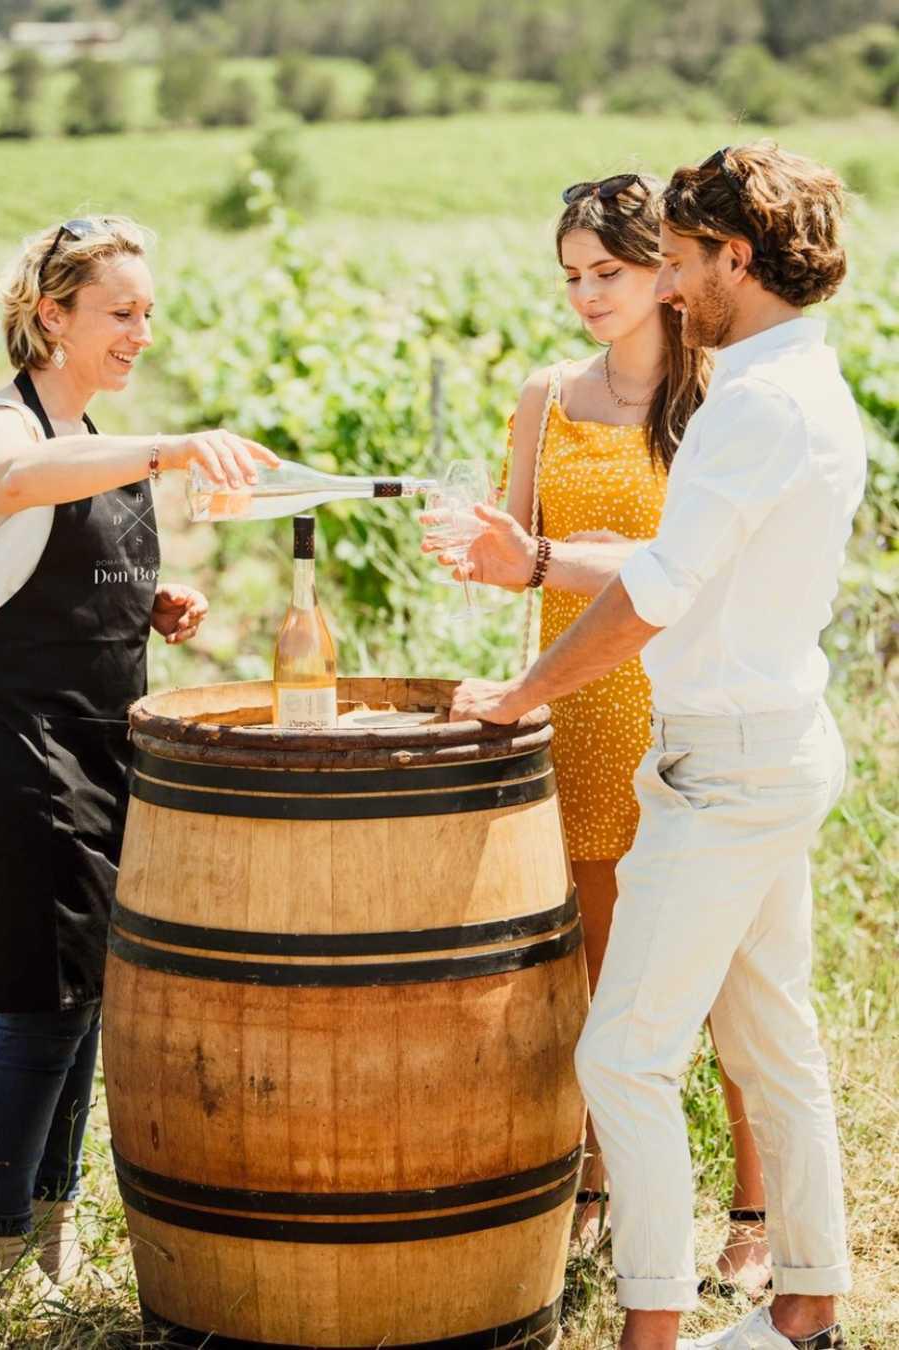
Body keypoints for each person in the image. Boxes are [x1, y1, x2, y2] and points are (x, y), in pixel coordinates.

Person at [445, 144, 861, 1350]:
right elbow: (675, 564)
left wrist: (523, 692)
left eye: (676, 262)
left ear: (737, 255)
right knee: (774, 1037)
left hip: (723, 765)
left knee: (622, 1058)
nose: (667, 287)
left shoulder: (753, 401)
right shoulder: (794, 382)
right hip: (774, 736)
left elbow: (656, 594)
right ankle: (806, 1308)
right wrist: (530, 564)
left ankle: (654, 1332)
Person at [0, 215, 279, 1297]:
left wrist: (150, 599)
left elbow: (52, 568)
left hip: (101, 748)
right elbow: (13, 487)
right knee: (41, 1002)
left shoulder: (102, 440)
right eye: (121, 313)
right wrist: (167, 448)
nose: (140, 333)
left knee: (90, 997)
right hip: (5, 747)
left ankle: (47, 1242)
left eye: (148, 314)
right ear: (50, 315)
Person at [426, 172, 771, 1290]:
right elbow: (517, 549)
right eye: (571, 275)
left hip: (677, 708)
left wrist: (524, 561)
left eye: (607, 272)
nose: (585, 295)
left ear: (665, 273)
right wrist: (471, 543)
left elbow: (701, 576)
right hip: (574, 711)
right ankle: (595, 1182)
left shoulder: (720, 400)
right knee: (593, 968)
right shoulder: (547, 395)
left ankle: (754, 1213)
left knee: (723, 980)